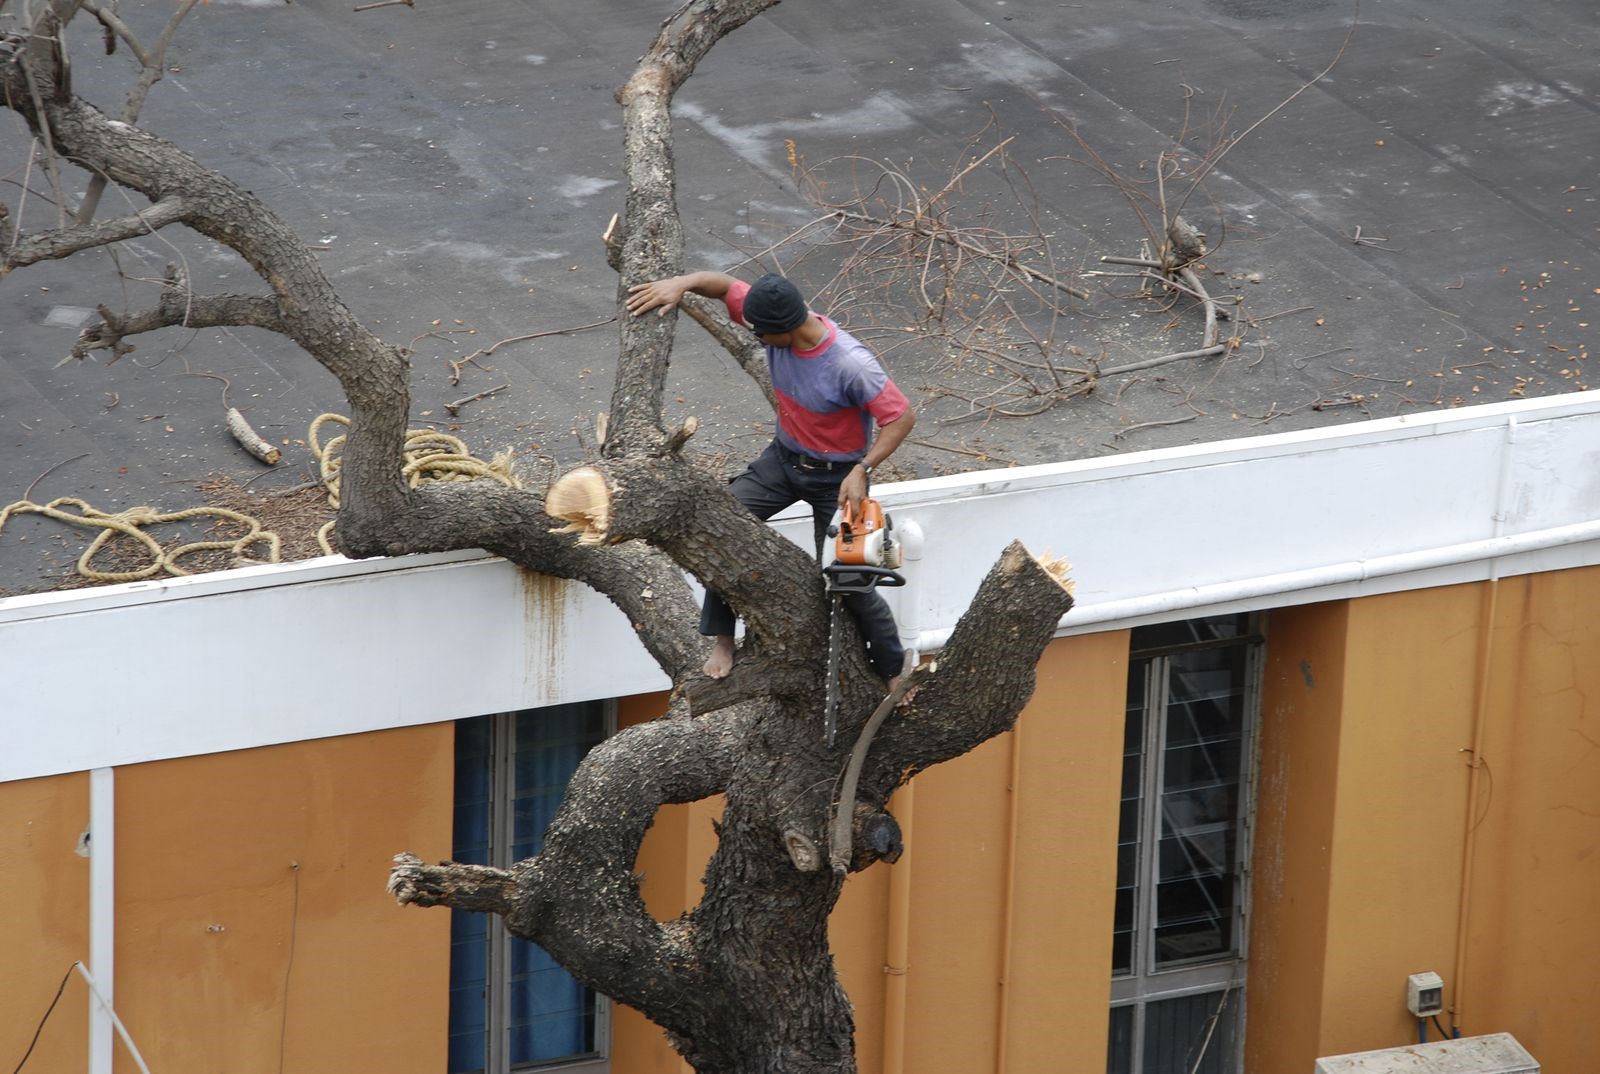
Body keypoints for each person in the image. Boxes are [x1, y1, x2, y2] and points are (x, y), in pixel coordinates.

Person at [626, 270, 917, 683]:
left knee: (851, 579)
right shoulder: (770, 311)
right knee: (719, 525)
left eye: (762, 334)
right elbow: (724, 285)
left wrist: (862, 469)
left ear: (787, 328)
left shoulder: (851, 365)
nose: (757, 338)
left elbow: (901, 418)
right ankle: (723, 637)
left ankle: (892, 670)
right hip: (782, 461)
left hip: (838, 478)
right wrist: (681, 284)